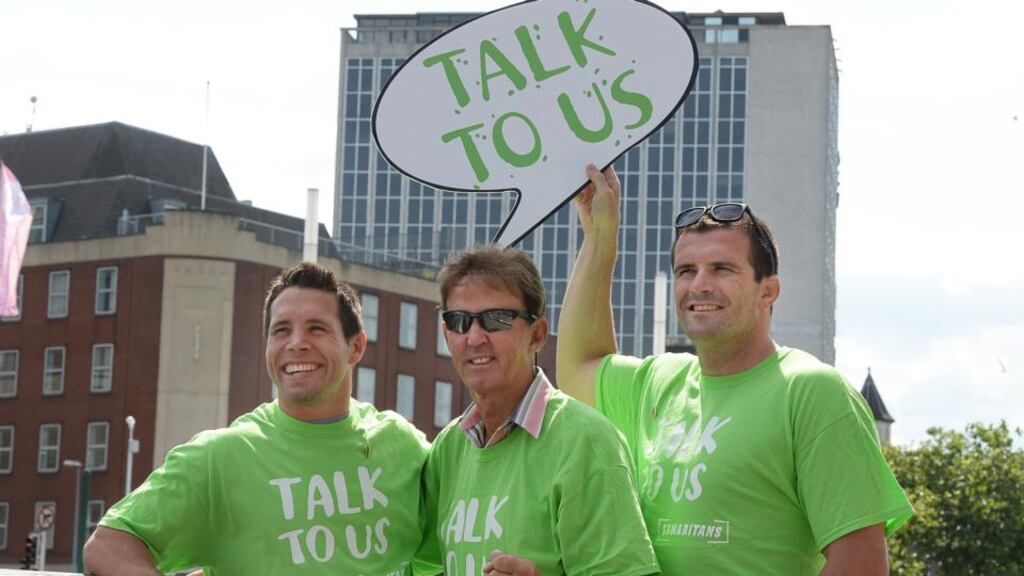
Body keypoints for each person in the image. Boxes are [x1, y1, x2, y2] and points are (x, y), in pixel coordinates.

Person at [557, 165, 914, 575]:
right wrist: (600, 235)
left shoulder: (812, 390)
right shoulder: (657, 383)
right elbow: (578, 365)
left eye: (722, 269)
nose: (699, 285)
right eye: (686, 271)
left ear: (769, 290)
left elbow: (861, 566)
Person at [84, 262, 437, 576]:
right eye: (281, 330)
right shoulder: (221, 456)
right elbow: (108, 546)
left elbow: (452, 546)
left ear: (356, 347)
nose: (296, 343)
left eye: (316, 328)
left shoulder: (400, 443)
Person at [418, 246, 660, 576]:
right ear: (447, 334)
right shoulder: (449, 448)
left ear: (538, 335)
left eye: (497, 319)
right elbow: (426, 566)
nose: (474, 337)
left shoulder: (585, 441)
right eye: (457, 321)